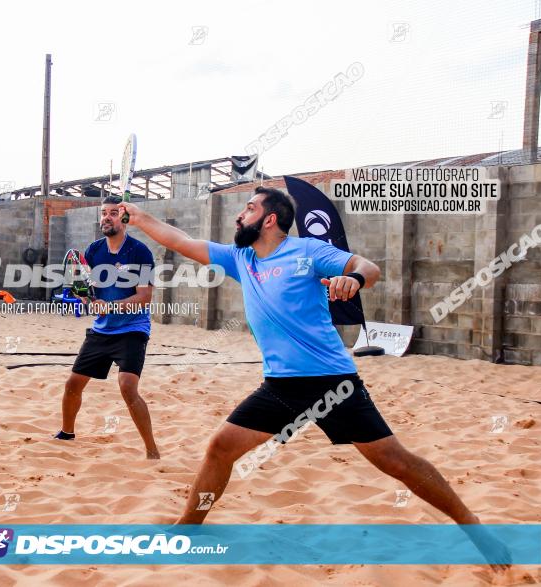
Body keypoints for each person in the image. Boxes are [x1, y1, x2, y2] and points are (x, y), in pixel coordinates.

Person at [118, 187, 509, 567]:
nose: (240, 215)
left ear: (269, 219)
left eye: (249, 208)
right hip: (280, 386)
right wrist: (139, 218)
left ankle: (473, 527)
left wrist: (352, 280)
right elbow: (181, 239)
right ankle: (190, 527)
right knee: (221, 448)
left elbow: (368, 269)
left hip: (331, 383)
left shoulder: (307, 251)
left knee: (396, 462)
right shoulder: (241, 258)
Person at [54, 196, 161, 459]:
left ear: (124, 219)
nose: (107, 218)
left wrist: (109, 306)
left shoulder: (140, 252)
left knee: (127, 386)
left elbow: (144, 298)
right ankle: (67, 433)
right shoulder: (93, 251)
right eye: (104, 213)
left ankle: (151, 450)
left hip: (132, 329)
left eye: (114, 213)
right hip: (102, 330)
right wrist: (86, 298)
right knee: (72, 384)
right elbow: (87, 290)